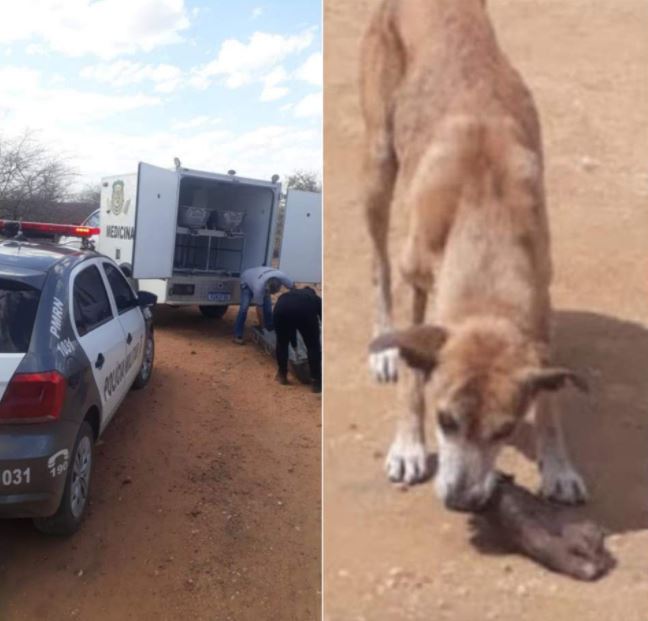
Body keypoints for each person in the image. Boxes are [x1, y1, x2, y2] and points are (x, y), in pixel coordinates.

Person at [273, 287, 322, 393]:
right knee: (313, 346)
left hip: (281, 309)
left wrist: (294, 343)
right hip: (305, 312)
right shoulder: (315, 298)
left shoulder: (286, 295)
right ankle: (316, 382)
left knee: (282, 344)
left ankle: (282, 375)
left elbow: (291, 329)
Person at [233, 266, 294, 344]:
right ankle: (238, 334)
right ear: (267, 289)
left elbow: (294, 288)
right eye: (270, 293)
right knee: (244, 308)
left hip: (258, 276)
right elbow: (259, 310)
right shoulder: (259, 287)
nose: (272, 294)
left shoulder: (283, 277)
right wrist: (262, 327)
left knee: (268, 309)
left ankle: (270, 328)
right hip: (247, 280)